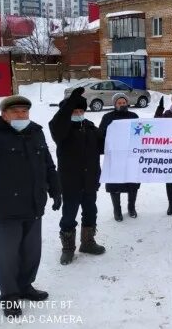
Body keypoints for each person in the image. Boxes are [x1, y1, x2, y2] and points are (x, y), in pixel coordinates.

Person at [0, 96, 61, 317]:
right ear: (4, 114)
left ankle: (25, 286)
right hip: (5, 208)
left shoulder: (36, 132)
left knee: (31, 252)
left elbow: (47, 163)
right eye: (15, 112)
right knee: (8, 256)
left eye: (24, 112)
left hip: (34, 205)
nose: (21, 115)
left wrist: (55, 189)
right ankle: (9, 296)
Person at [49, 87, 105, 265]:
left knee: (90, 212)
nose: (78, 113)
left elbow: (104, 146)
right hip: (70, 182)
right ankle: (67, 249)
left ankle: (87, 242)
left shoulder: (90, 128)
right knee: (68, 216)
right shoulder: (61, 132)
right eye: (75, 111)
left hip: (90, 181)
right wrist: (70, 103)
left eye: (81, 110)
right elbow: (57, 123)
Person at [99, 93, 140, 221]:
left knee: (132, 181)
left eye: (124, 102)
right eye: (119, 103)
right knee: (115, 183)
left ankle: (131, 207)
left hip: (130, 155)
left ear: (127, 103)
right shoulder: (108, 117)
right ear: (115, 104)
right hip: (115, 156)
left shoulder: (134, 116)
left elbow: (139, 134)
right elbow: (101, 134)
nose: (122, 105)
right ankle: (117, 210)